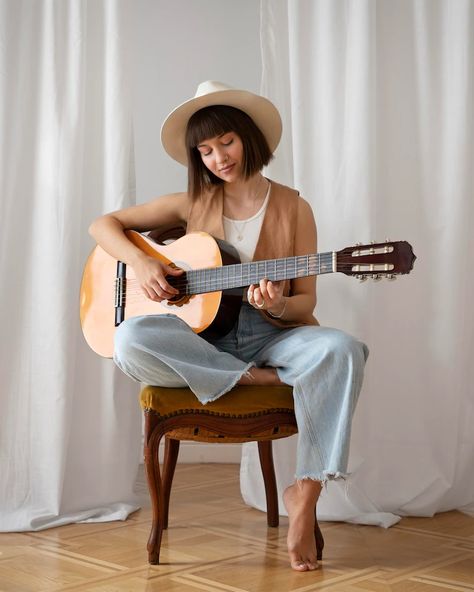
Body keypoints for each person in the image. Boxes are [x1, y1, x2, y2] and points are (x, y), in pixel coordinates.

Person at [89, 80, 368, 572]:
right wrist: (146, 264)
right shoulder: (190, 202)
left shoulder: (294, 208)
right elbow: (103, 226)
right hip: (200, 341)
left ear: (249, 137)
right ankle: (253, 378)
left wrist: (278, 306)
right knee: (129, 338)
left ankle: (306, 491)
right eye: (206, 149)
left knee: (344, 348)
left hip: (273, 333)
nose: (218, 157)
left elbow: (305, 304)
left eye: (227, 142)